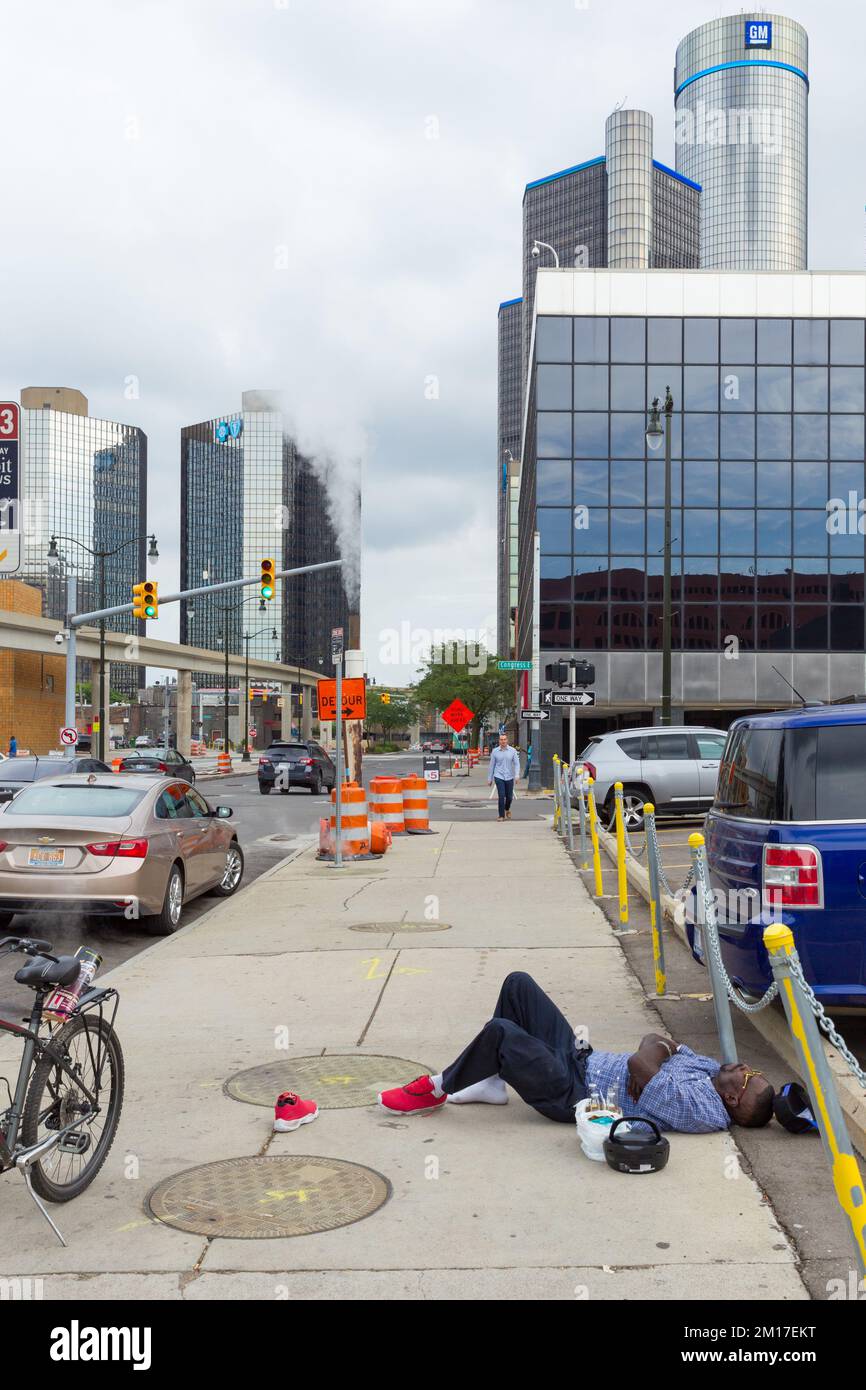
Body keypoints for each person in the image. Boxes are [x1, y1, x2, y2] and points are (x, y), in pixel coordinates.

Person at [378, 972, 775, 1133]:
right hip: (581, 1059)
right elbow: (657, 1039)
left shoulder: (701, 1108)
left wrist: (651, 1058)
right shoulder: (710, 1071)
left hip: (572, 1092)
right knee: (519, 986)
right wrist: (655, 1053)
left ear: (732, 1097)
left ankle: (435, 1088)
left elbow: (644, 1059)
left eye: (747, 1076)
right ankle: (492, 1082)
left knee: (501, 1033)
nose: (744, 1066)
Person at [487, 732, 520, 821]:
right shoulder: (495, 751)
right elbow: (492, 766)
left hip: (509, 776)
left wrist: (517, 775)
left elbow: (517, 764)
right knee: (501, 795)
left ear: (507, 740)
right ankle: (501, 815)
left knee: (509, 797)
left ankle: (507, 809)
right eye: (501, 740)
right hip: (499, 776)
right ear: (499, 741)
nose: (503, 741)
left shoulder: (513, 751)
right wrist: (489, 779)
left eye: (504, 739)